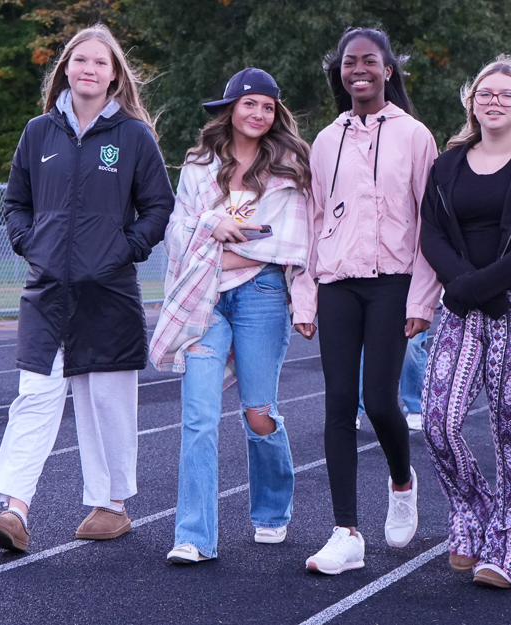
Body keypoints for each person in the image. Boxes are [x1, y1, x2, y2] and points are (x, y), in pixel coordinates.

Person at [0, 24, 174, 552]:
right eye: (80, 60)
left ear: (114, 76)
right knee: (35, 398)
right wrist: (27, 242)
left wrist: (123, 249)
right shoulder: (38, 131)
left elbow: (159, 206)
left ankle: (111, 505)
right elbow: (16, 201)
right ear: (66, 67)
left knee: (105, 401)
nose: (89, 68)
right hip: (47, 292)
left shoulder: (134, 136)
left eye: (100, 63)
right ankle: (13, 510)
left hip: (108, 292)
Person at [291, 27, 440, 575]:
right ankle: (345, 532)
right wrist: (305, 297)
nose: (359, 70)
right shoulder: (326, 140)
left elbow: (430, 221)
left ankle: (402, 481)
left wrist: (423, 295)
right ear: (340, 71)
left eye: (370, 61)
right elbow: (311, 220)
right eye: (350, 62)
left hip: (393, 283)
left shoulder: (416, 136)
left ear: (388, 70)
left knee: (379, 401)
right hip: (337, 283)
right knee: (337, 405)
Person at [149, 68, 311, 564]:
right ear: (230, 109)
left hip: (262, 297)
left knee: (259, 414)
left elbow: (285, 246)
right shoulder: (200, 166)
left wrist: (216, 245)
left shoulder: (290, 171)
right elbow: (177, 235)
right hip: (204, 298)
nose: (258, 114)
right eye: (249, 104)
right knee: (197, 416)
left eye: (267, 106)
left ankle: (271, 510)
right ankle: (193, 536)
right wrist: (209, 224)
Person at [420, 55, 511, 589]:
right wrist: (465, 288)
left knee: (510, 433)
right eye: (486, 92)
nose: (495, 101)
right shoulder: (450, 161)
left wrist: (479, 290)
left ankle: (508, 549)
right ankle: (473, 512)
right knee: (438, 421)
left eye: (508, 94)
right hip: (462, 305)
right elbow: (431, 233)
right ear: (472, 102)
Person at [356, 330, 428, 431]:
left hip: (410, 313)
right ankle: (352, 409)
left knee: (411, 345)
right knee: (361, 343)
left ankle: (416, 408)